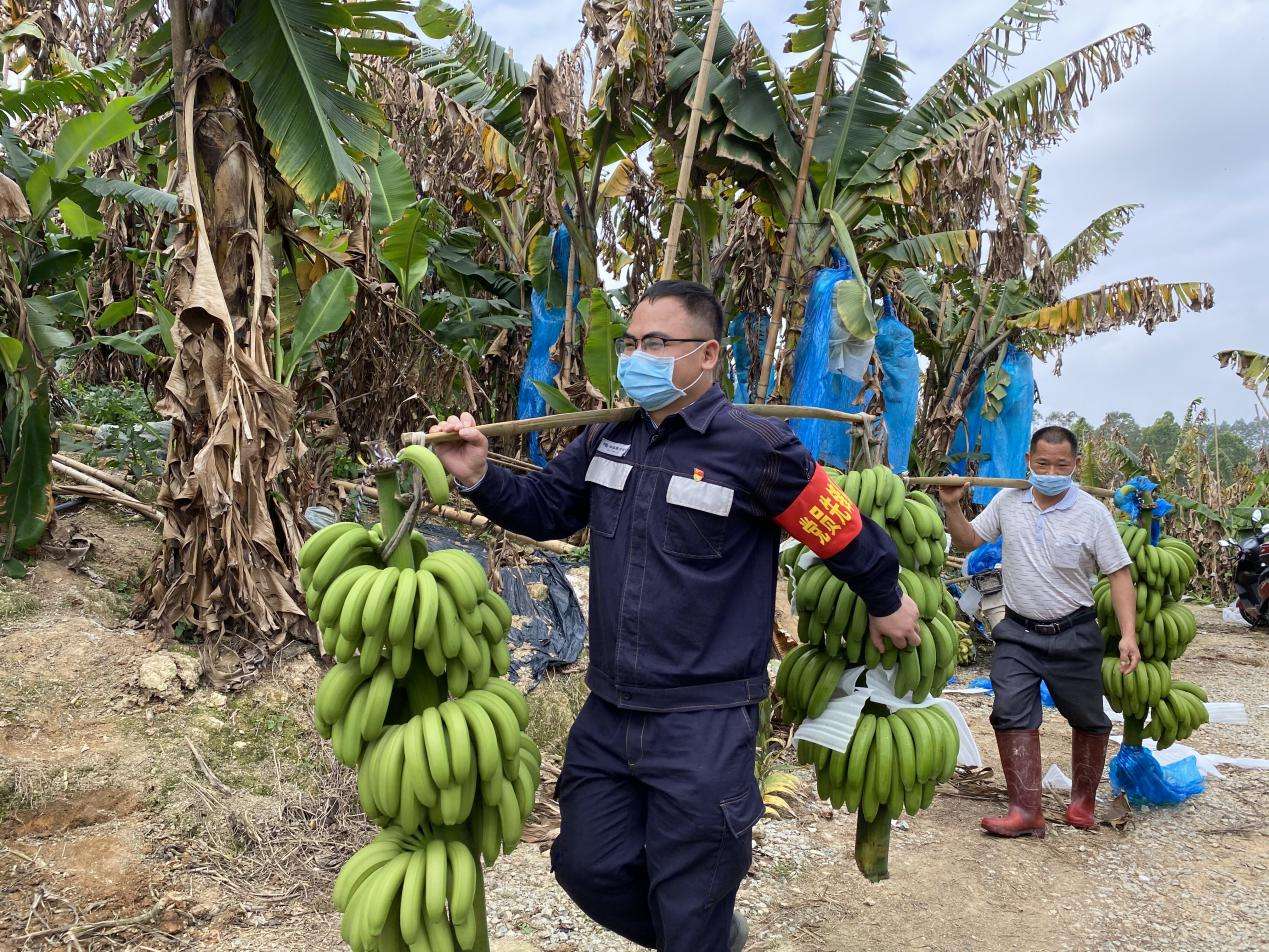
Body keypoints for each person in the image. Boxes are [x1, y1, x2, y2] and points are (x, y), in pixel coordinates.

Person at [429, 280, 919, 951]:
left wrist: (885, 599)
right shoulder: (611, 437)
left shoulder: (757, 447)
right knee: (585, 865)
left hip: (703, 720)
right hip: (610, 710)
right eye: (631, 343)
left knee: (691, 892)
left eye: (656, 343)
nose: (636, 357)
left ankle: (700, 934)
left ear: (708, 354)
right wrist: (478, 475)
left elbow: (836, 529)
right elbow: (546, 509)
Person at [939, 426, 1140, 837]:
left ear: (1075, 466)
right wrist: (952, 507)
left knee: (1088, 717)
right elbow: (969, 540)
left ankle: (1082, 802)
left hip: (1074, 631)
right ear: (1028, 462)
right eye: (1043, 463)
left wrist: (1127, 634)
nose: (1051, 471)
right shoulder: (1009, 501)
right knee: (1009, 709)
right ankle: (1025, 809)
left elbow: (1119, 574)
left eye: (1061, 465)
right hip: (1017, 631)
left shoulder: (1091, 513)